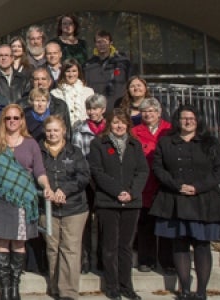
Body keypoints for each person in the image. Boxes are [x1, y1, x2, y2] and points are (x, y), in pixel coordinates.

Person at [149, 105, 220, 300]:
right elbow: (159, 168)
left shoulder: (209, 142)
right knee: (179, 245)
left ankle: (202, 290)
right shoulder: (166, 142)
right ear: (177, 121)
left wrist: (197, 187)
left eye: (191, 118)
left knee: (202, 245)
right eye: (183, 118)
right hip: (175, 199)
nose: (187, 121)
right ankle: (185, 290)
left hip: (203, 200)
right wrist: (177, 185)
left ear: (198, 120)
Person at [0, 104, 54, 300]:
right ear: (2, 120)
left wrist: (46, 186)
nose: (12, 121)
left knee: (19, 242)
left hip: (22, 198)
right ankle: (5, 288)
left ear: (22, 120)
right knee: (2, 241)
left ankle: (15, 287)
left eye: (16, 118)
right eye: (8, 118)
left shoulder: (31, 144)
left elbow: (39, 171)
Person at [89, 108, 148, 300]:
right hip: (108, 202)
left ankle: (126, 285)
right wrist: (117, 192)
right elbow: (97, 172)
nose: (119, 126)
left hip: (131, 202)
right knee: (109, 245)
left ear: (128, 125)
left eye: (123, 122)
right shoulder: (98, 144)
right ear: (109, 124)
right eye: (115, 122)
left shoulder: (135, 145)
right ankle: (112, 286)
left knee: (126, 246)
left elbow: (142, 171)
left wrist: (131, 192)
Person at [39, 116, 91, 300]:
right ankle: (55, 287)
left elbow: (84, 176)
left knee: (70, 249)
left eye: (56, 130)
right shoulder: (39, 151)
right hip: (48, 208)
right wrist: (47, 190)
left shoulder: (74, 152)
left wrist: (64, 190)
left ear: (63, 131)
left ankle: (68, 292)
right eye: (49, 130)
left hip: (74, 208)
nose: (52, 134)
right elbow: (33, 174)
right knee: (52, 248)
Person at [130, 98, 173, 273]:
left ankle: (167, 262)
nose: (148, 114)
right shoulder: (134, 131)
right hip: (144, 183)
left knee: (165, 225)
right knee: (145, 224)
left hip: (163, 183)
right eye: (145, 111)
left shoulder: (169, 130)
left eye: (151, 111)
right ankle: (145, 259)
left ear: (159, 112)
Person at [71, 94, 107, 275]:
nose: (93, 112)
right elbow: (77, 156)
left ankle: (101, 259)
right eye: (90, 109)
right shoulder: (80, 130)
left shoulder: (109, 129)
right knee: (84, 224)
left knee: (102, 223)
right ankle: (84, 260)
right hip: (86, 182)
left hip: (106, 182)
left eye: (96, 108)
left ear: (103, 110)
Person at [84, 31, 132, 103]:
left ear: (111, 43)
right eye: (99, 42)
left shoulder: (123, 63)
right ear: (95, 44)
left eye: (104, 42)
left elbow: (131, 83)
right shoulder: (88, 65)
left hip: (119, 106)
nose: (102, 44)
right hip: (95, 107)